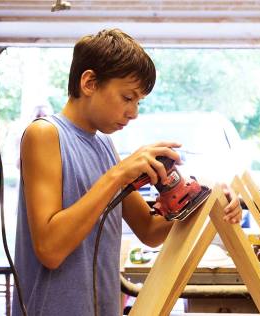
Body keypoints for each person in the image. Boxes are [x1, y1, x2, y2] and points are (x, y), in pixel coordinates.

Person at [12, 29, 241, 315]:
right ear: (89, 82)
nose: (133, 113)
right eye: (127, 97)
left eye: (138, 102)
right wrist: (119, 174)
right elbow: (50, 250)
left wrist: (205, 198)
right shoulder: (45, 134)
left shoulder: (105, 145)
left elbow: (149, 230)